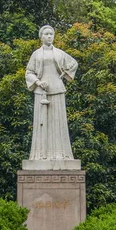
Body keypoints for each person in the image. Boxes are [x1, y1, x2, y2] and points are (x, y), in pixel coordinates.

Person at [25, 25, 78, 161]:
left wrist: (65, 73)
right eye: (46, 34)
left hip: (57, 89)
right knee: (42, 123)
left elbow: (74, 63)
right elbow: (29, 72)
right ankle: (39, 155)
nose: (49, 36)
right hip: (41, 92)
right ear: (41, 36)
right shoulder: (36, 54)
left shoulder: (59, 53)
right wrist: (37, 82)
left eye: (51, 34)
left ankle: (61, 154)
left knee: (58, 123)